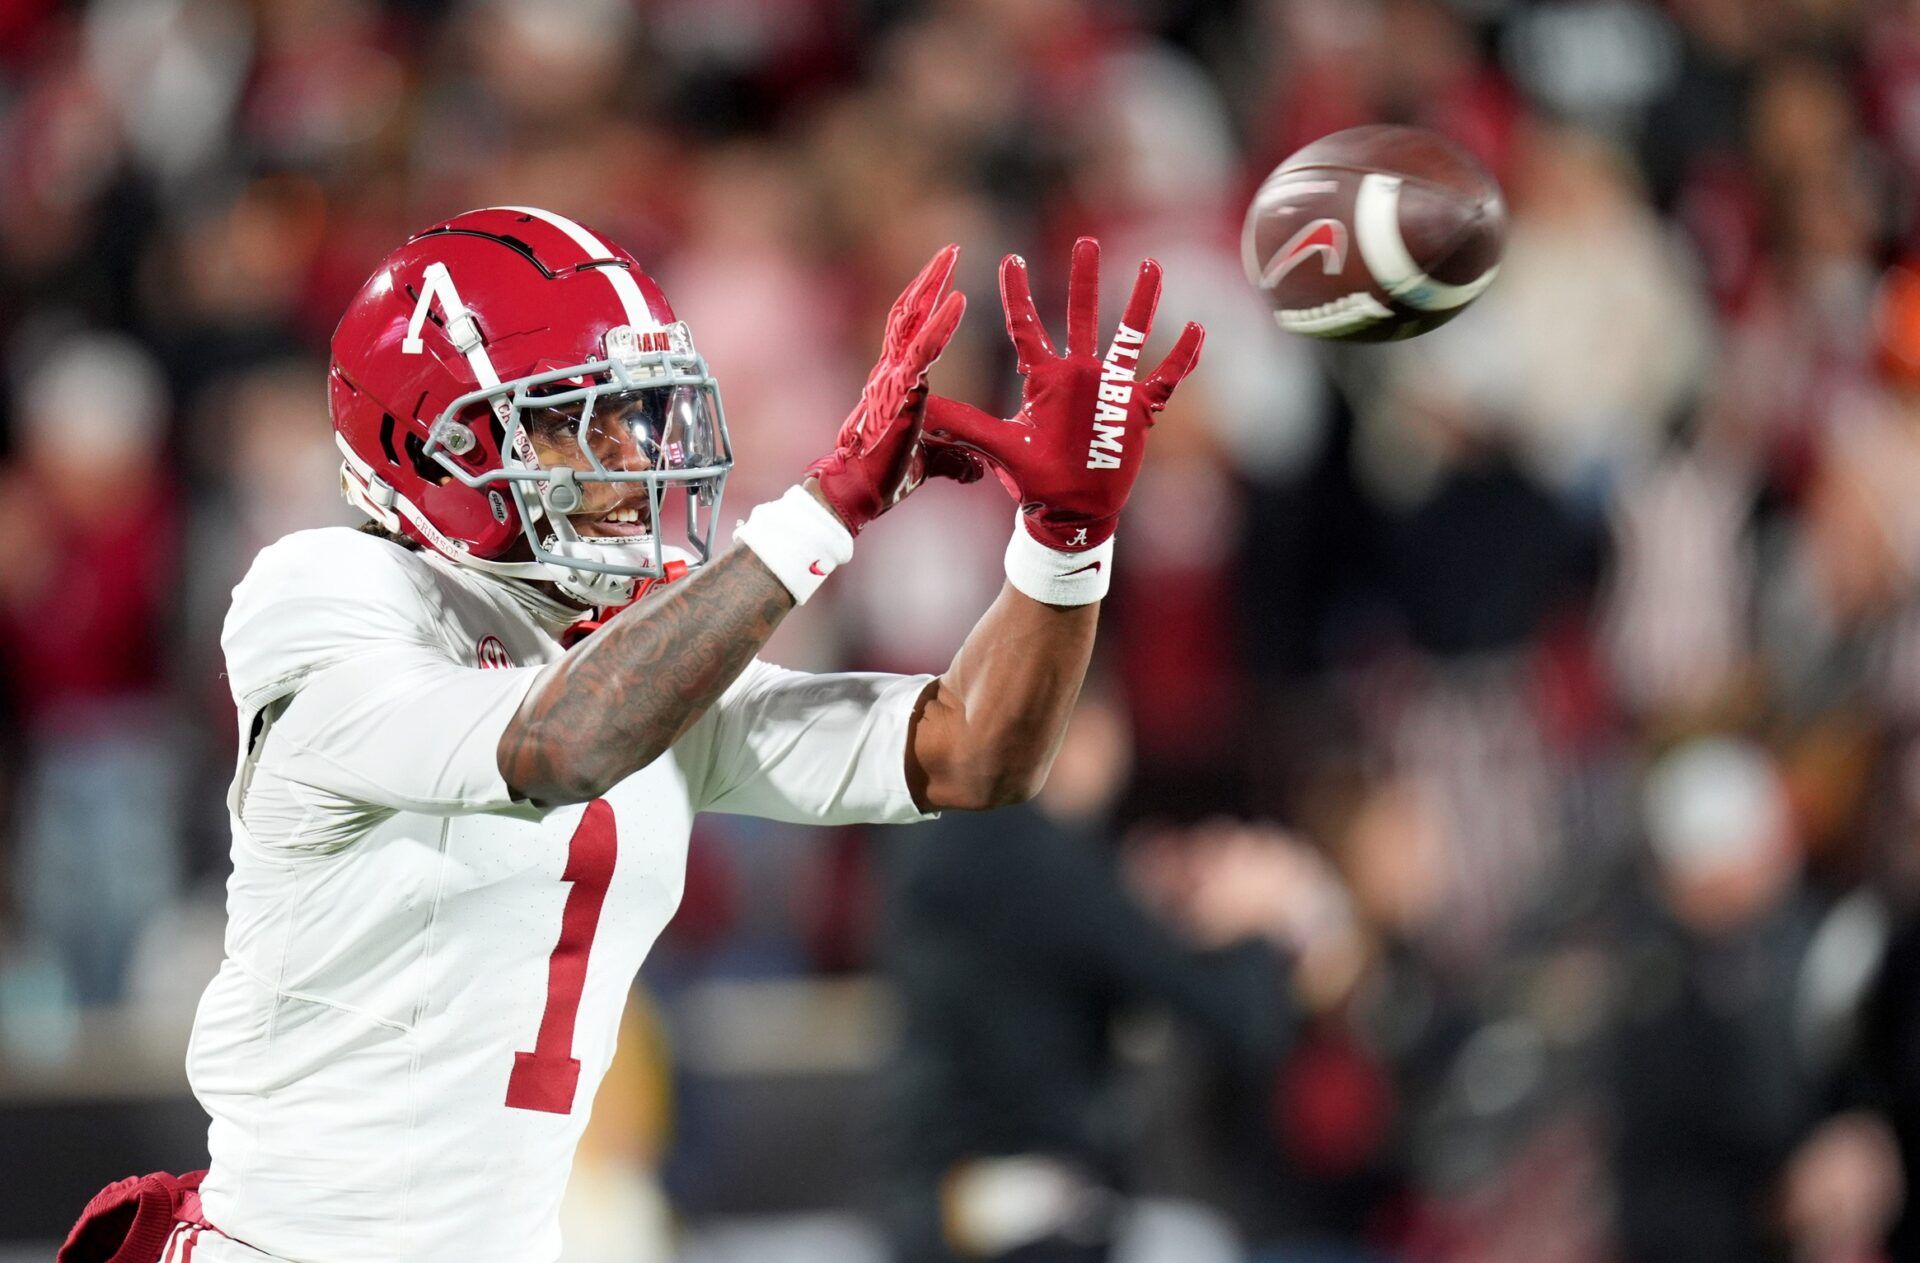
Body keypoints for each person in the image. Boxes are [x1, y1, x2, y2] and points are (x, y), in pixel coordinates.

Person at [57, 211, 1203, 1263]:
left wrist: (1063, 543)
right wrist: (820, 512)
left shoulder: (640, 660)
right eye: (564, 421)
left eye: (632, 408)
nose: (625, 454)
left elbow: (972, 752)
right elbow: (556, 745)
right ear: (419, 449)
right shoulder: (329, 591)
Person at [877, 687, 1359, 1263]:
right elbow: (1234, 1015)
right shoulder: (1050, 858)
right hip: (1026, 1203)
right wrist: (1266, 921)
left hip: (924, 1197)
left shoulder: (938, 840)